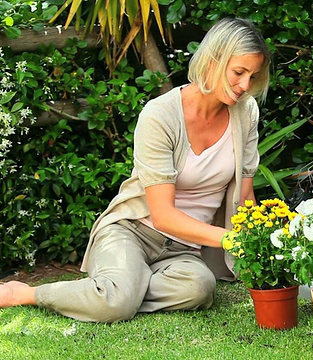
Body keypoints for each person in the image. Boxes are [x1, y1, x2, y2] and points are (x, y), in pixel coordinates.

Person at [0, 17, 271, 322]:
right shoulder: (160, 116)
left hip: (183, 250)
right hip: (132, 231)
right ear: (213, 60)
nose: (245, 85)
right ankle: (26, 293)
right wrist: (228, 239)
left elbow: (245, 194)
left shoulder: (245, 112)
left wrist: (258, 243)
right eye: (239, 72)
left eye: (253, 75)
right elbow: (162, 215)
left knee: (199, 288)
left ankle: (117, 291)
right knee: (118, 300)